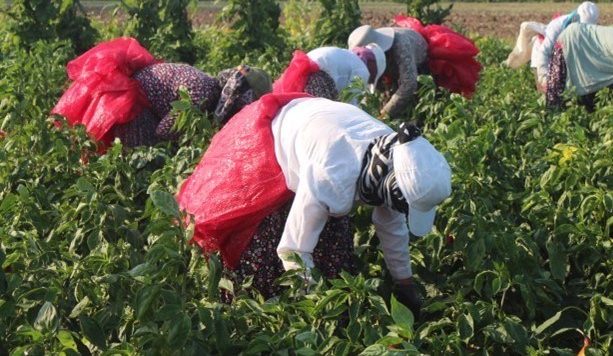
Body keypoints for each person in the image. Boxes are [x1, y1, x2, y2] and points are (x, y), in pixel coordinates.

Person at [177, 94, 452, 318]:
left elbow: (391, 224)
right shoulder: (332, 171)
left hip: (321, 129)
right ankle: (253, 315)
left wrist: (405, 282)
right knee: (262, 243)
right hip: (277, 137)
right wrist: (318, 306)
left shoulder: (395, 160)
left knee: (332, 247)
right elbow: (292, 249)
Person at [51, 37, 271, 148]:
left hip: (137, 97)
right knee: (145, 159)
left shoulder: (208, 84)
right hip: (131, 103)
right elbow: (164, 131)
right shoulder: (202, 96)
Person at [348, 15, 481, 119]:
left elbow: (409, 84)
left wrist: (385, 113)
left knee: (420, 99)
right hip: (393, 61)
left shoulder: (401, 46)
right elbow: (367, 83)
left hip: (421, 60)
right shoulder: (364, 48)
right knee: (387, 92)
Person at [528, 1, 600, 93]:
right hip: (543, 55)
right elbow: (544, 52)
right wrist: (544, 78)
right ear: (576, 17)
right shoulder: (558, 26)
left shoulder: (592, 29)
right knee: (546, 92)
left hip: (563, 57)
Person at [272, 45, 386, 101]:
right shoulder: (362, 70)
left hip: (301, 74)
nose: (370, 80)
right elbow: (352, 104)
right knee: (321, 123)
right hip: (318, 78)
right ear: (373, 64)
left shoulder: (348, 56)